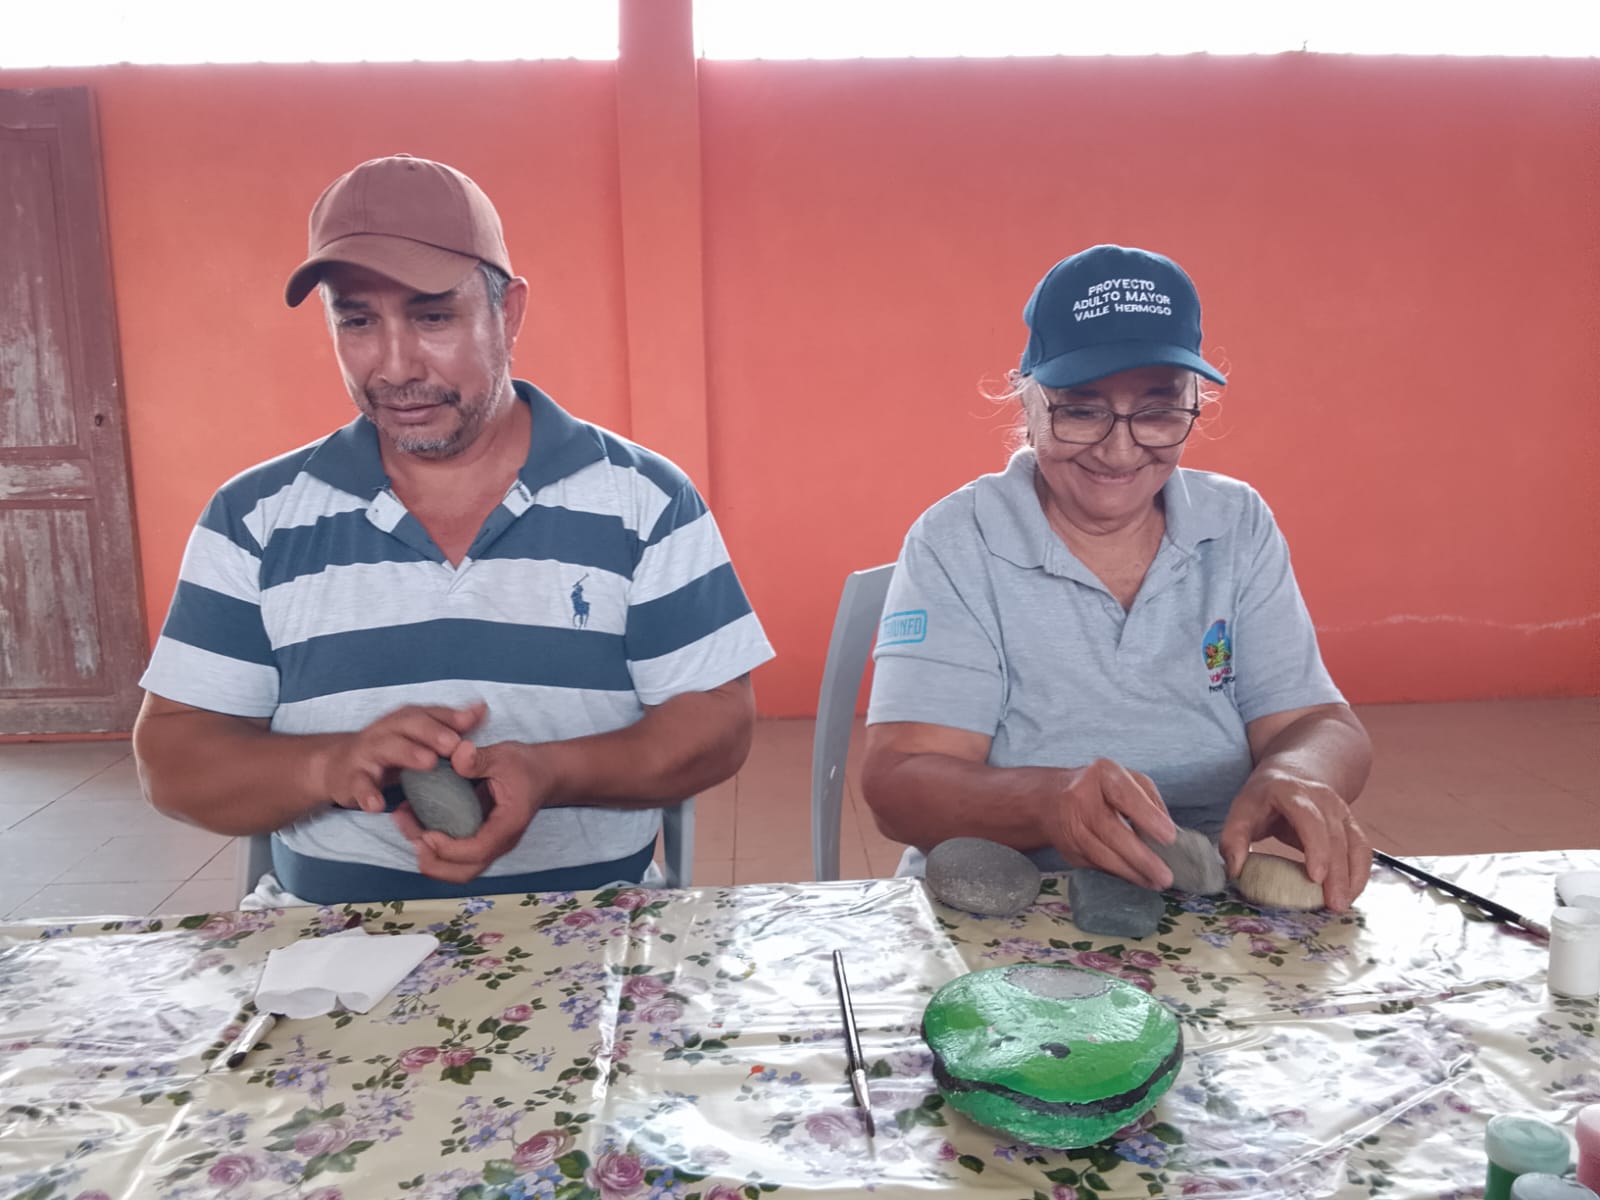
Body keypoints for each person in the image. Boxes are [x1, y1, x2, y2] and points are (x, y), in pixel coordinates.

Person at [133, 154, 774, 904]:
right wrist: (329, 765)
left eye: (433, 316)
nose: (395, 365)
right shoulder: (256, 518)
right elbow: (172, 759)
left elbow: (717, 724)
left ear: (509, 314)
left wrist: (551, 773)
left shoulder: (643, 500)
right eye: (357, 320)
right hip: (324, 933)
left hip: (594, 927)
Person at [861, 244, 1373, 911]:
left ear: (1194, 405)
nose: (1120, 449)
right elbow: (898, 782)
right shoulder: (962, 539)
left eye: (1157, 412)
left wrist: (1298, 773)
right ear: (1029, 402)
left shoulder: (1235, 524)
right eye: (1082, 410)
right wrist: (1045, 804)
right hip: (1013, 897)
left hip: (1207, 896)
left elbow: (1318, 721)